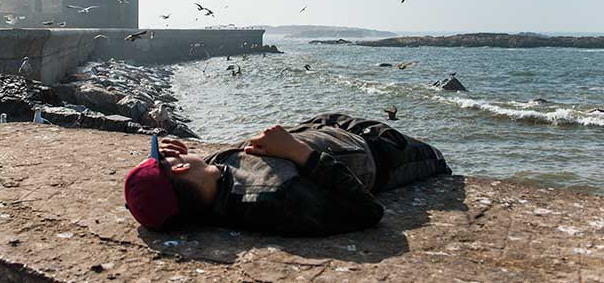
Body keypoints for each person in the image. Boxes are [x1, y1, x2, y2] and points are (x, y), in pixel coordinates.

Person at [124, 112, 451, 236]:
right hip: (382, 154)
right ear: (180, 168)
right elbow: (367, 211)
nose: (168, 155)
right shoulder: (275, 199)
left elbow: (178, 189)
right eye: (165, 160)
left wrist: (161, 168)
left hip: (326, 127)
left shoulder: (210, 185)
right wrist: (299, 152)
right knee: (441, 163)